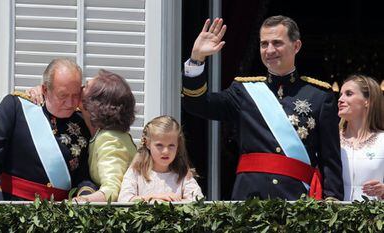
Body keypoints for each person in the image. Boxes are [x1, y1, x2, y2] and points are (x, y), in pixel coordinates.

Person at [182, 16, 343, 200]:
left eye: (277, 43)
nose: (270, 50)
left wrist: (333, 201)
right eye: (264, 44)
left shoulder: (320, 96)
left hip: (299, 202)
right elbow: (195, 103)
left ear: (296, 46)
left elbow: (330, 159)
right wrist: (196, 59)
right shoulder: (243, 92)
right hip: (250, 200)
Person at [0, 58, 96, 201]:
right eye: (63, 95)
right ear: (45, 89)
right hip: (12, 207)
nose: (70, 103)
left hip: (60, 215)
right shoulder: (16, 108)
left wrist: (85, 200)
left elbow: (84, 176)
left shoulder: (82, 122)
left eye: (75, 95)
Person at [74, 69, 137, 202]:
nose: (80, 88)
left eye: (86, 86)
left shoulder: (110, 138)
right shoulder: (106, 133)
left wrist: (81, 202)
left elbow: (112, 190)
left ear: (94, 102)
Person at [118, 115, 203, 202]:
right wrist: (154, 198)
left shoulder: (183, 174)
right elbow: (124, 200)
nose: (166, 151)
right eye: (159, 145)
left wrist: (175, 203)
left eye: (171, 145)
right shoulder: (136, 171)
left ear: (178, 146)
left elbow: (198, 201)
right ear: (147, 144)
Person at [338, 74, 384, 201]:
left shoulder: (383, 141)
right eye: (340, 94)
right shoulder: (331, 141)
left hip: (375, 218)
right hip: (334, 217)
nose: (340, 99)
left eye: (348, 94)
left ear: (367, 101)